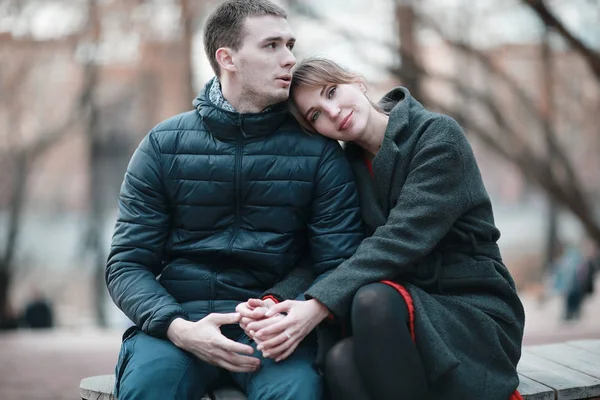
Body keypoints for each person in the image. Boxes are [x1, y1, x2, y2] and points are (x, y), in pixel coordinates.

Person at [105, 4, 363, 399]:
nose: (290, 58)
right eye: (272, 45)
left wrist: (288, 311)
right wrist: (176, 326)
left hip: (273, 327)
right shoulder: (162, 146)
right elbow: (127, 263)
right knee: (149, 389)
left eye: (290, 44)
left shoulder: (320, 152)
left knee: (296, 393)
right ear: (227, 58)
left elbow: (337, 262)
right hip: (178, 323)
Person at [240, 57, 526, 400]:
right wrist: (275, 301)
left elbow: (400, 240)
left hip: (470, 311)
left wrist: (316, 306)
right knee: (339, 361)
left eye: (332, 92)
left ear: (357, 82)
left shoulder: (437, 136)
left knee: (371, 298)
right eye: (315, 115)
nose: (331, 112)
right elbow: (332, 253)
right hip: (396, 320)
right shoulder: (346, 169)